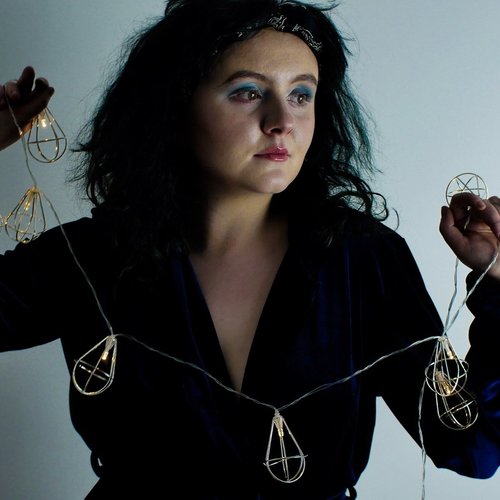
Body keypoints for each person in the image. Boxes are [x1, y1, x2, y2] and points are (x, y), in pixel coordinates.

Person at [1, 0, 500, 498]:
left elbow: (473, 448)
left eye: (301, 94)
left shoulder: (363, 259)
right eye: (248, 92)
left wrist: (498, 282)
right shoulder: (92, 256)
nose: (282, 120)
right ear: (177, 105)